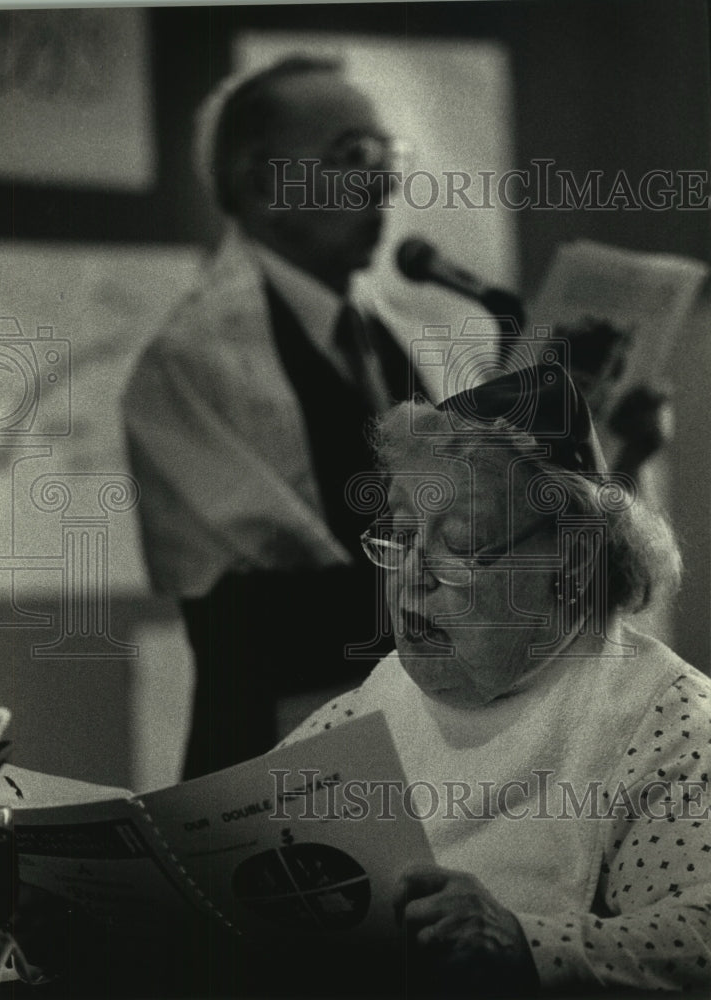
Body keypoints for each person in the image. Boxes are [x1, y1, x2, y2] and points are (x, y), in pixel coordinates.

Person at [278, 363, 711, 994]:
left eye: (461, 542)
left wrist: (528, 945)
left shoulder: (666, 722)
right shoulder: (364, 712)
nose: (413, 576)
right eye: (401, 535)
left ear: (576, 556)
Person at [123, 57, 428, 777]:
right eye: (353, 155)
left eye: (388, 157)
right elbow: (269, 605)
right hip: (275, 767)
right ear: (264, 185)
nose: (384, 180)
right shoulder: (193, 362)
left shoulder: (384, 336)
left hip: (409, 743)